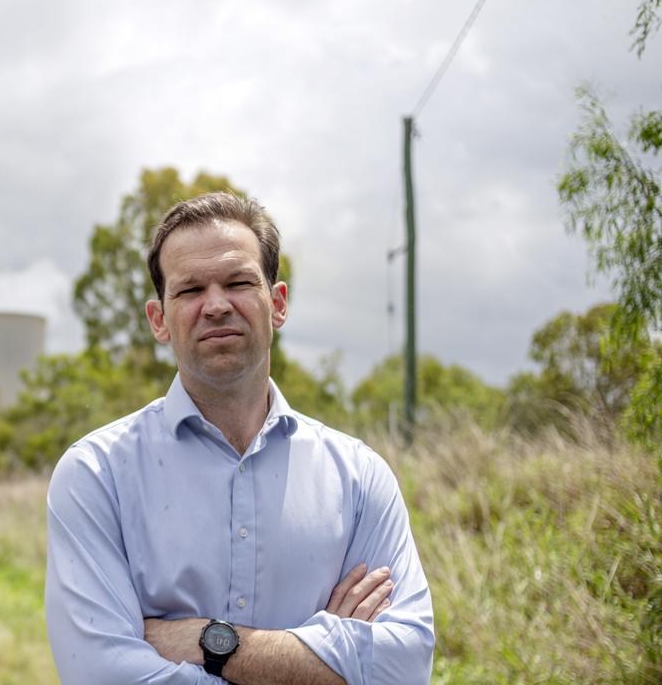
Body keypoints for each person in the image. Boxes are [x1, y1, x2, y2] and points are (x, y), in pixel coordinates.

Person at [45, 192, 434, 684]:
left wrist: (212, 642)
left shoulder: (359, 478)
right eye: (189, 290)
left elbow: (405, 669)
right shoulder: (95, 475)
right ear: (158, 320)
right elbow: (102, 676)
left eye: (238, 282)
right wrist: (327, 663)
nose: (215, 305)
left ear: (277, 303)